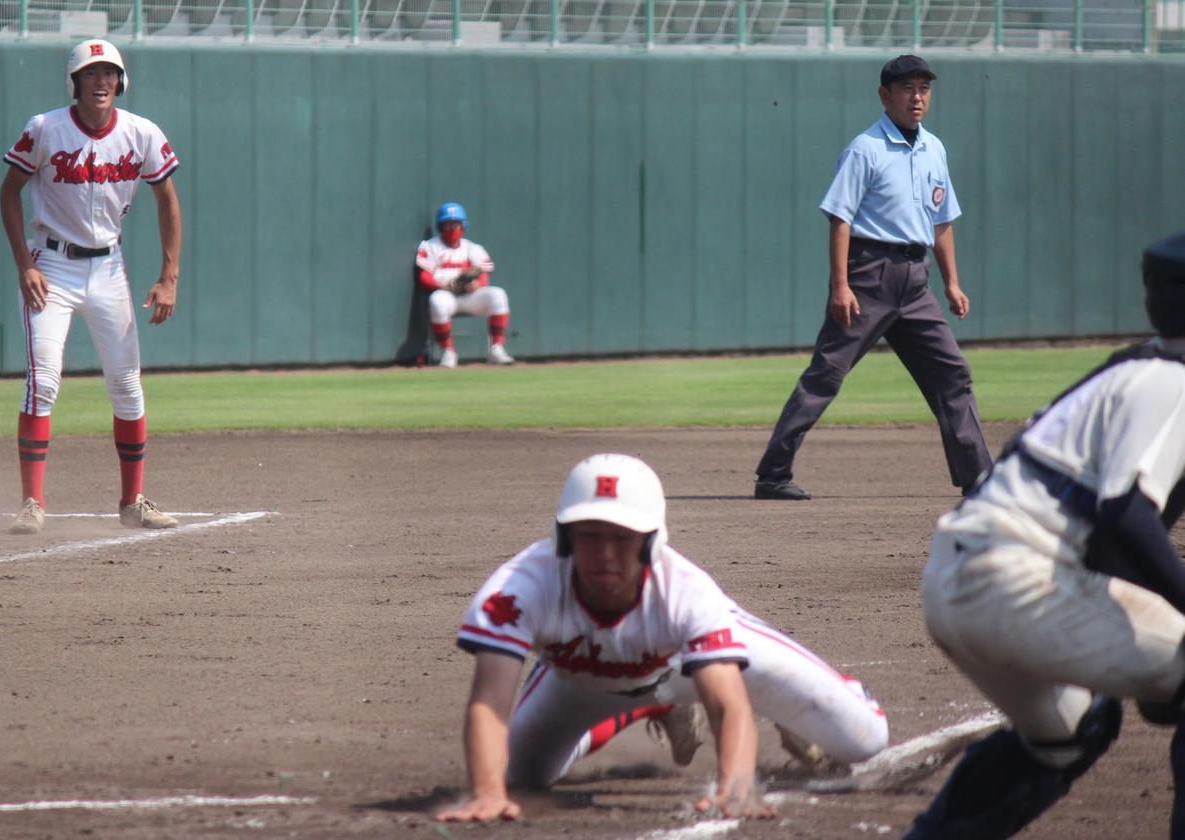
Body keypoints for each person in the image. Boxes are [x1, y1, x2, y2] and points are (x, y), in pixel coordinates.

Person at [904, 231, 1185, 839]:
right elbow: (1126, 516)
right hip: (1015, 577)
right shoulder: (1175, 383)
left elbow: (1111, 537)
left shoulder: (1127, 371)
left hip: (958, 578)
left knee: (1068, 731)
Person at [437, 453, 889, 823]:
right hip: (584, 681)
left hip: (707, 664)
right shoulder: (518, 588)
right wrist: (487, 793)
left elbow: (726, 705)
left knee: (864, 741)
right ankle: (652, 705)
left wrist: (735, 788)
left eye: (622, 538)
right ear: (564, 538)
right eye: (589, 536)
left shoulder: (686, 593)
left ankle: (827, 695)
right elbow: (488, 702)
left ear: (652, 542)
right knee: (517, 774)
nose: (604, 553)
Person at [754, 54, 991, 501]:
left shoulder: (934, 149)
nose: (916, 97)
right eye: (906, 88)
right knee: (826, 373)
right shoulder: (866, 148)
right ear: (885, 96)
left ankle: (978, 477)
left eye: (923, 88)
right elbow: (840, 218)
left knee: (952, 374)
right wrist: (840, 285)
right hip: (868, 276)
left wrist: (951, 282)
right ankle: (773, 473)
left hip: (915, 279)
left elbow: (942, 222)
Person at [0, 39, 181, 535]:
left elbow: (167, 199)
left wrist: (169, 277)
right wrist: (24, 265)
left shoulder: (141, 133)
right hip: (51, 268)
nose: (101, 81)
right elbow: (9, 193)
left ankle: (132, 502)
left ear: (121, 82)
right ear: (74, 81)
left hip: (108, 270)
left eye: (109, 73)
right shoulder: (46, 128)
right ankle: (32, 503)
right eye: (90, 73)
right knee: (45, 381)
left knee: (126, 386)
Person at [416, 202, 515, 368]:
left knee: (498, 294)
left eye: (456, 223)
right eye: (448, 224)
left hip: (470, 297)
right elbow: (423, 276)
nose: (452, 228)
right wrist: (442, 286)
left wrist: (478, 284)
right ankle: (448, 352)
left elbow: (483, 274)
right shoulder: (430, 246)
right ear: (441, 226)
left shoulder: (473, 248)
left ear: (463, 225)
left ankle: (497, 349)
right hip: (446, 295)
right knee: (436, 301)